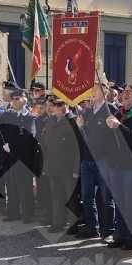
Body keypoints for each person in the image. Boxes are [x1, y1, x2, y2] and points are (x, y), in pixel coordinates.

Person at [104, 84, 132, 250]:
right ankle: (121, 235)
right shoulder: (118, 112)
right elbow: (110, 138)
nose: (125, 95)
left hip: (130, 166)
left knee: (130, 203)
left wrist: (119, 126)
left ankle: (131, 236)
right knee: (119, 201)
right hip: (115, 164)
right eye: (124, 92)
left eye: (130, 93)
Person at [37, 95, 82, 233]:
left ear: (66, 105)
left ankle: (73, 224)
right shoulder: (50, 121)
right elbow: (45, 145)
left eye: (59, 105)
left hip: (68, 167)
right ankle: (58, 222)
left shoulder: (73, 121)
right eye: (54, 105)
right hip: (53, 165)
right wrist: (45, 165)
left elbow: (78, 147)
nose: (55, 108)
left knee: (70, 197)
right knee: (56, 196)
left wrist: (76, 168)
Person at [76, 90, 117, 240]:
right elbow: (86, 136)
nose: (92, 93)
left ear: (105, 91)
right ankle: (92, 228)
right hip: (87, 159)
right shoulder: (88, 112)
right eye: (91, 90)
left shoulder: (110, 109)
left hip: (103, 159)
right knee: (87, 196)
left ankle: (109, 230)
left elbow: (114, 135)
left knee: (107, 198)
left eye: (96, 89)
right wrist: (80, 126)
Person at [0, 91, 38, 224]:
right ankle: (13, 212)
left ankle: (27, 214)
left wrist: (12, 145)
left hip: (22, 158)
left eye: (17, 99)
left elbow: (30, 136)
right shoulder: (8, 114)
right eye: (12, 99)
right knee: (11, 186)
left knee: (24, 188)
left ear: (24, 101)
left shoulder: (30, 117)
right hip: (8, 157)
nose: (14, 101)